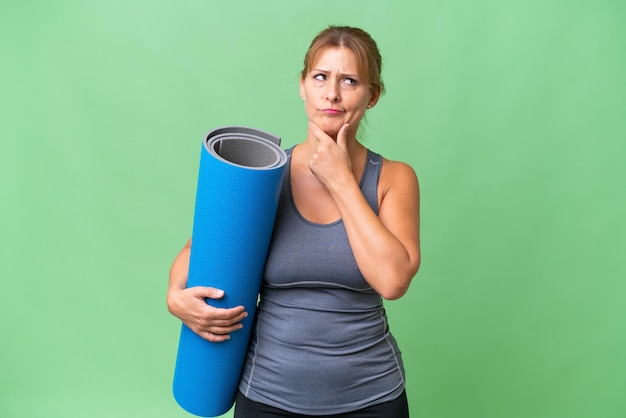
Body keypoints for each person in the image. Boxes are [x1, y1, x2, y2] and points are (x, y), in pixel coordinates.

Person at [167, 25, 420, 418]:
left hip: (372, 398)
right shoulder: (266, 176)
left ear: (372, 96)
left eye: (349, 81)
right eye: (320, 77)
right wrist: (175, 296)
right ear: (303, 86)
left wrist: (340, 181)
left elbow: (393, 281)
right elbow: (199, 250)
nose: (332, 93)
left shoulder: (393, 178)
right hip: (267, 396)